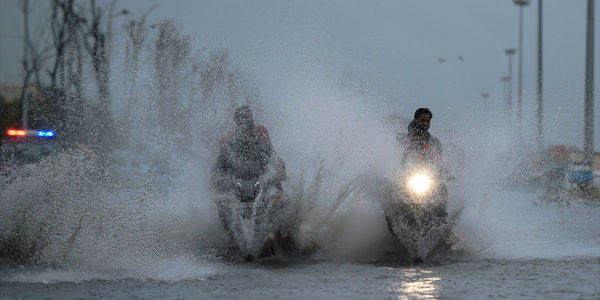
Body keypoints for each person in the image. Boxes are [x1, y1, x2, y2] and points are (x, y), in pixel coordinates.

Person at [211, 105, 287, 226]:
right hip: (237, 183)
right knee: (220, 199)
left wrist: (280, 171)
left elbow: (275, 158)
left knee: (281, 198)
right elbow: (218, 166)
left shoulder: (262, 141)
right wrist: (217, 177)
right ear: (237, 125)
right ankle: (225, 227)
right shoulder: (227, 145)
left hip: (261, 180)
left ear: (251, 123)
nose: (245, 130)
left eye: (247, 123)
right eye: (241, 125)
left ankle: (284, 226)